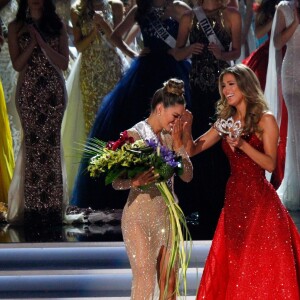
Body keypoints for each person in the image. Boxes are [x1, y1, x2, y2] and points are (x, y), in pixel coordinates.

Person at [182, 64, 300, 299]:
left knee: (258, 262)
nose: (226, 90)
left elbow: (269, 165)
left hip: (260, 202)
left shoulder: (265, 120)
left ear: (245, 85)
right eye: (223, 86)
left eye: (231, 84)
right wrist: (185, 128)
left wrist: (243, 145)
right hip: (235, 198)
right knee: (236, 260)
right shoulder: (226, 121)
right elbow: (193, 149)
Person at [70, 0, 193, 211]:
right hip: (143, 75)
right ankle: (138, 189)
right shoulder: (141, 9)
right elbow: (115, 35)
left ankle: (173, 191)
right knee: (136, 127)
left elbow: (179, 49)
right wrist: (131, 53)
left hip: (172, 72)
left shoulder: (181, 9)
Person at [112, 78, 193, 300]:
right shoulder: (134, 136)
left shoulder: (170, 137)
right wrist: (134, 182)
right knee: (145, 281)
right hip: (139, 217)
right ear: (159, 109)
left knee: (170, 281)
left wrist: (178, 144)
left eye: (181, 118)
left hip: (167, 217)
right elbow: (115, 181)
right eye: (175, 117)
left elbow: (187, 175)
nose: (177, 122)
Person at [170, 0, 241, 236]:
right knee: (199, 145)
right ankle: (198, 204)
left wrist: (223, 53)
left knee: (221, 148)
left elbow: (237, 52)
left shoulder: (232, 15)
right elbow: (176, 53)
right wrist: (188, 51)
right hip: (198, 90)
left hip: (223, 91)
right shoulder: (189, 17)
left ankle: (222, 202)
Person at [7, 0, 69, 224]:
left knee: (51, 144)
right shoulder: (16, 27)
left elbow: (63, 63)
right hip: (29, 92)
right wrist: (32, 44)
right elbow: (17, 64)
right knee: (32, 144)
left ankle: (52, 205)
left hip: (53, 92)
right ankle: (32, 205)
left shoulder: (57, 25)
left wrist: (43, 43)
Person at [61, 0, 128, 196]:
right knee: (91, 121)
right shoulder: (77, 10)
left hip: (112, 67)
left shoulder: (115, 5)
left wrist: (105, 27)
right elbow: (79, 46)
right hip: (90, 70)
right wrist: (93, 32)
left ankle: (116, 174)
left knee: (113, 121)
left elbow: (119, 38)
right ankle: (92, 179)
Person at [265, 0, 300, 211]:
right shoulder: (283, 8)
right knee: (297, 131)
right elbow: (277, 43)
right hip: (293, 74)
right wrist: (295, 23)